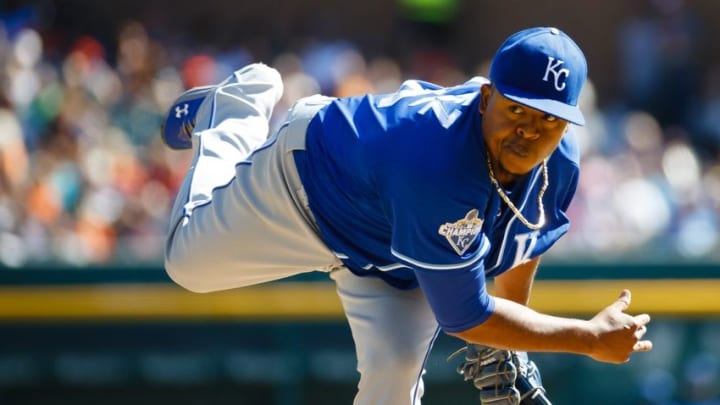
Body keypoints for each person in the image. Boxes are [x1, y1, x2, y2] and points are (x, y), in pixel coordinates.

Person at [162, 27, 652, 405]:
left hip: (394, 249)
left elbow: (520, 245)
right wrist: (586, 338)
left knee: (394, 378)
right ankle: (236, 108)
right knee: (188, 266)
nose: (529, 131)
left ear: (566, 122)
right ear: (486, 98)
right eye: (517, 111)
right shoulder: (435, 165)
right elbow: (465, 315)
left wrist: (510, 345)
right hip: (307, 186)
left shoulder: (560, 159)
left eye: (547, 118)